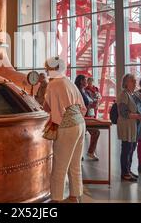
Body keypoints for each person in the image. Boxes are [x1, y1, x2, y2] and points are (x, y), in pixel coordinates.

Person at [43, 57, 87, 203]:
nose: (46, 71)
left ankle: (56, 199)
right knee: (75, 164)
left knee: (59, 166)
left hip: (67, 126)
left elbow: (49, 108)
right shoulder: (68, 81)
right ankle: (75, 196)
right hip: (80, 123)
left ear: (52, 69)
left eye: (47, 69)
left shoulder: (54, 84)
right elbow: (82, 106)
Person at [117, 73, 141, 182]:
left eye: (134, 80)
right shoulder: (124, 95)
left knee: (131, 149)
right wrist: (137, 115)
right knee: (126, 150)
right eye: (132, 81)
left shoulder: (132, 94)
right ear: (126, 83)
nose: (135, 82)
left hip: (133, 126)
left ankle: (128, 170)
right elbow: (124, 113)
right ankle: (125, 173)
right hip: (127, 126)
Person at [75, 75, 100, 161]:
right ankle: (86, 153)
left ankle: (88, 152)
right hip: (83, 117)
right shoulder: (78, 92)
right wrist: (90, 105)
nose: (87, 82)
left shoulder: (85, 91)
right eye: (85, 80)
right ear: (81, 81)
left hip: (89, 116)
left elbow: (90, 102)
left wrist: (94, 103)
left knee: (87, 135)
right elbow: (81, 105)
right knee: (93, 133)